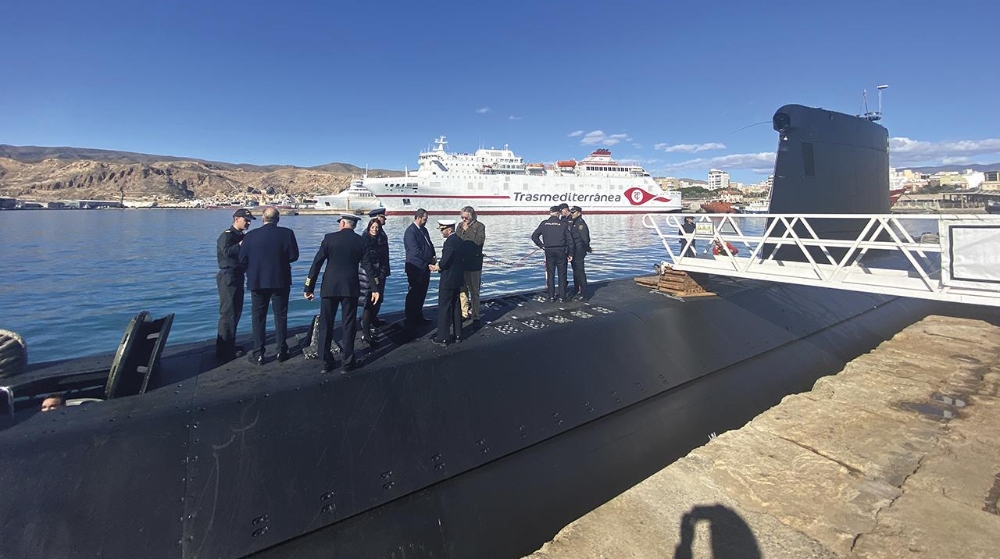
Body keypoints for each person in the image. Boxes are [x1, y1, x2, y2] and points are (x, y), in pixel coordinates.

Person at [304, 214, 367, 374]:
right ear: (354, 225)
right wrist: (374, 287)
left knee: (326, 323)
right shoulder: (360, 241)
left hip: (329, 287)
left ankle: (326, 361)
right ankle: (347, 362)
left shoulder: (329, 239)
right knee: (349, 323)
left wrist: (308, 287)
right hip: (350, 287)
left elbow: (316, 263)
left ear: (343, 223)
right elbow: (368, 266)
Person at [239, 207, 299, 365]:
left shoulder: (250, 236)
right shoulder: (287, 233)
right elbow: (294, 256)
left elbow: (242, 259)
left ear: (263, 218)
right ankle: (281, 351)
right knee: (281, 315)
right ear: (277, 219)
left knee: (258, 317)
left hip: (257, 281)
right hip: (281, 281)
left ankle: (258, 353)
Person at [215, 208, 254, 360]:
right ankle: (223, 350)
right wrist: (241, 244)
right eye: (246, 220)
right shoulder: (227, 235)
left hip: (237, 275)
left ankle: (229, 344)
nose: (248, 223)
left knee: (235, 312)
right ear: (236, 219)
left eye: (249, 220)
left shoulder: (239, 236)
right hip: (228, 276)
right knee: (228, 313)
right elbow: (227, 251)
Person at [432, 220, 465, 347]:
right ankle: (458, 334)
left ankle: (443, 337)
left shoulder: (449, 243)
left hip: (448, 279)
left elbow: (445, 262)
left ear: (449, 229)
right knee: (456, 306)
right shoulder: (460, 241)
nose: (441, 232)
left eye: (442, 229)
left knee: (444, 307)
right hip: (457, 279)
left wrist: (437, 267)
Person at [531, 205, 573, 302]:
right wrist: (570, 253)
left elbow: (534, 236)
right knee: (562, 274)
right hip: (561, 251)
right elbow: (569, 240)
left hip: (549, 250)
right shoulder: (563, 224)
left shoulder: (544, 224)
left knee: (550, 274)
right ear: (558, 213)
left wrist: (541, 245)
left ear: (550, 213)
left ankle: (551, 296)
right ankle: (562, 297)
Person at [403, 208, 437, 328]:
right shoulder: (410, 232)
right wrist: (429, 259)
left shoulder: (424, 230)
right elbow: (415, 251)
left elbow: (429, 244)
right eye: (424, 219)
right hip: (415, 268)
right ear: (418, 218)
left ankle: (419, 316)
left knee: (422, 293)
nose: (426, 221)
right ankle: (410, 318)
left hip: (424, 267)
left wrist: (433, 255)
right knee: (414, 293)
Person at [456, 205, 486, 326]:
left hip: (473, 264)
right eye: (462, 217)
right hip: (461, 263)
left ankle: (476, 314)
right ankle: (464, 313)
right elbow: (457, 240)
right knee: (462, 291)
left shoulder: (480, 226)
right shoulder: (459, 226)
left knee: (474, 291)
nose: (463, 220)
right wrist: (463, 229)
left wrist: (468, 229)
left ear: (472, 216)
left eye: (466, 218)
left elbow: (479, 241)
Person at [359, 217, 388, 344]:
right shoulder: (365, 240)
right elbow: (366, 262)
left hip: (380, 272)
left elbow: (384, 257)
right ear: (368, 228)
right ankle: (366, 332)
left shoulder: (381, 238)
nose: (375, 230)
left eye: (377, 227)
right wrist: (374, 275)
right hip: (369, 275)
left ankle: (374, 320)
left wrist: (383, 272)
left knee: (378, 299)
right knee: (368, 303)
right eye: (372, 228)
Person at [367, 207, 390, 326]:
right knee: (373, 296)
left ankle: (374, 318)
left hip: (382, 270)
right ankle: (369, 321)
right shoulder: (370, 236)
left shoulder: (381, 233)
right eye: (382, 217)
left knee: (379, 297)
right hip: (376, 271)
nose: (384, 220)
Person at [567, 206, 592, 299]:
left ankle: (584, 293)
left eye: (574, 212)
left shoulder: (580, 224)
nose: (572, 214)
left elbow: (585, 238)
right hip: (574, 250)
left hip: (579, 250)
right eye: (571, 212)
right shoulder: (572, 222)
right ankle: (576, 288)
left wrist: (586, 248)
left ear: (579, 213)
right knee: (575, 271)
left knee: (580, 271)